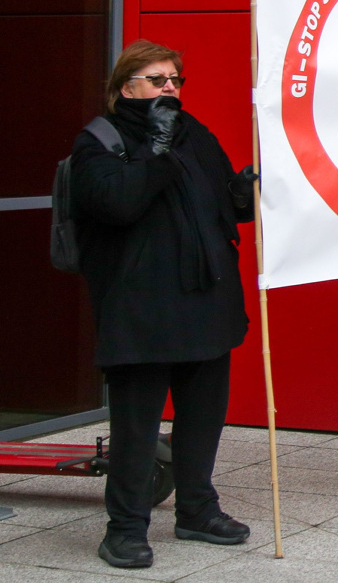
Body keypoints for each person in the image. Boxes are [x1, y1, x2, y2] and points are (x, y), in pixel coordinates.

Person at [70, 40, 255, 569]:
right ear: (126, 87)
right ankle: (126, 529)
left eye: (175, 79)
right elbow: (119, 204)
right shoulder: (100, 141)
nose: (169, 87)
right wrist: (156, 150)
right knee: (137, 429)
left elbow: (225, 207)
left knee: (203, 418)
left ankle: (197, 510)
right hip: (141, 309)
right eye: (157, 79)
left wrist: (244, 191)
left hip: (205, 302)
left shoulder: (195, 134)